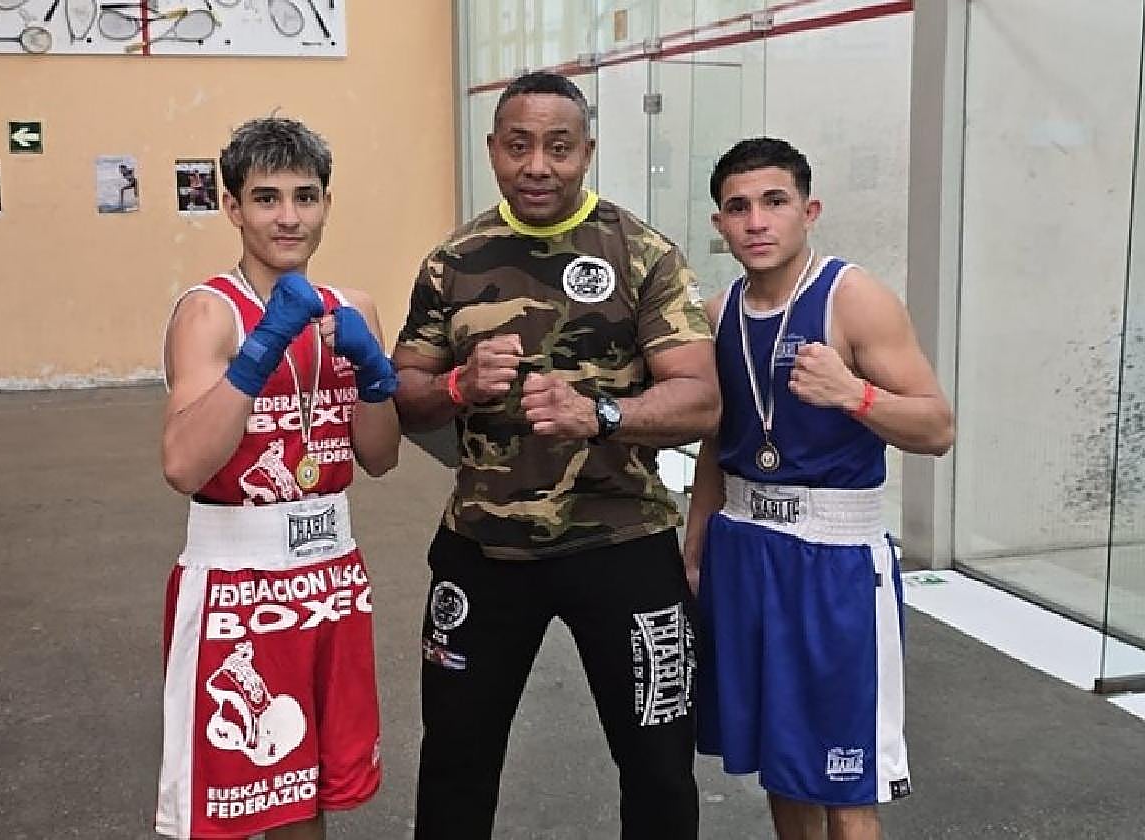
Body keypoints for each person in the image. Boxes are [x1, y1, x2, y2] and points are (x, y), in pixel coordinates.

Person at [392, 70, 721, 840]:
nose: (538, 165)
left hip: (623, 542)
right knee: (456, 763)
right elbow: (404, 396)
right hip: (485, 547)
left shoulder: (641, 254)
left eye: (559, 147)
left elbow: (701, 400)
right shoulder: (455, 261)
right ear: (493, 151)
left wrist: (601, 412)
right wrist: (458, 384)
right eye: (518, 146)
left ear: (588, 153)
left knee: (659, 766)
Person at [683, 137, 955, 840]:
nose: (757, 221)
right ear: (720, 226)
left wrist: (855, 394)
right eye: (738, 208)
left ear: (809, 210)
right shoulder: (718, 316)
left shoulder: (853, 298)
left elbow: (937, 427)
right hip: (743, 550)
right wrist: (695, 548)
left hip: (832, 559)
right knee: (781, 764)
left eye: (775, 202)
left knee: (844, 781)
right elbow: (716, 440)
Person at [156, 116, 400, 840]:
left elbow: (380, 458)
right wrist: (259, 349)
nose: (288, 216)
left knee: (306, 797)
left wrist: (376, 378)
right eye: (266, 198)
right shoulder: (212, 313)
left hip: (329, 575)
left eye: (305, 196)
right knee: (232, 800)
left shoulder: (351, 309)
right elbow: (182, 464)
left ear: (327, 202)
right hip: (238, 578)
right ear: (232, 207)